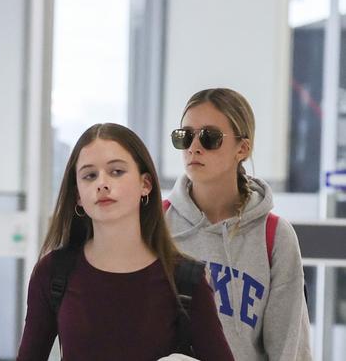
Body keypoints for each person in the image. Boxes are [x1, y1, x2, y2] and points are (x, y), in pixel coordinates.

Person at [17, 123, 234, 360]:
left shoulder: (186, 281)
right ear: (78, 195)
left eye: (116, 171)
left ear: (145, 184)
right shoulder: (53, 272)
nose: (102, 183)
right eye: (89, 175)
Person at [164, 88, 312, 360]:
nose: (194, 147)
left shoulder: (274, 236)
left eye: (210, 137)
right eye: (184, 137)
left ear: (242, 148)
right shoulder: (156, 225)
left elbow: (289, 347)